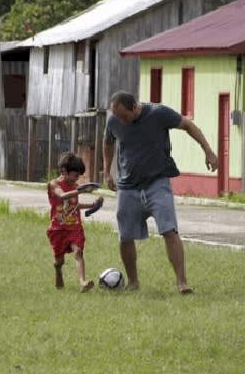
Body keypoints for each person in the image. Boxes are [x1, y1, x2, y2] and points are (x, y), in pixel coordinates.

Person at [102, 90, 218, 294]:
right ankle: (133, 282)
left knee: (169, 230)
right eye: (116, 116)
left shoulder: (158, 113)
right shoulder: (114, 122)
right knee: (125, 235)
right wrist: (107, 172)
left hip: (157, 182)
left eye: (123, 116)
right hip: (128, 186)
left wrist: (208, 151)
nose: (120, 120)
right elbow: (108, 142)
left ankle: (182, 282)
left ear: (134, 107)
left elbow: (188, 125)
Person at [47, 152, 103, 293]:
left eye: (79, 176)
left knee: (78, 252)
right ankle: (58, 271)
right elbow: (62, 195)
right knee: (59, 261)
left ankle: (82, 282)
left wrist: (92, 205)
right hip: (58, 229)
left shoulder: (75, 186)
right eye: (75, 175)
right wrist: (82, 191)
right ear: (63, 171)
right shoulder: (54, 184)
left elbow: (74, 205)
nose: (77, 179)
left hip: (74, 227)